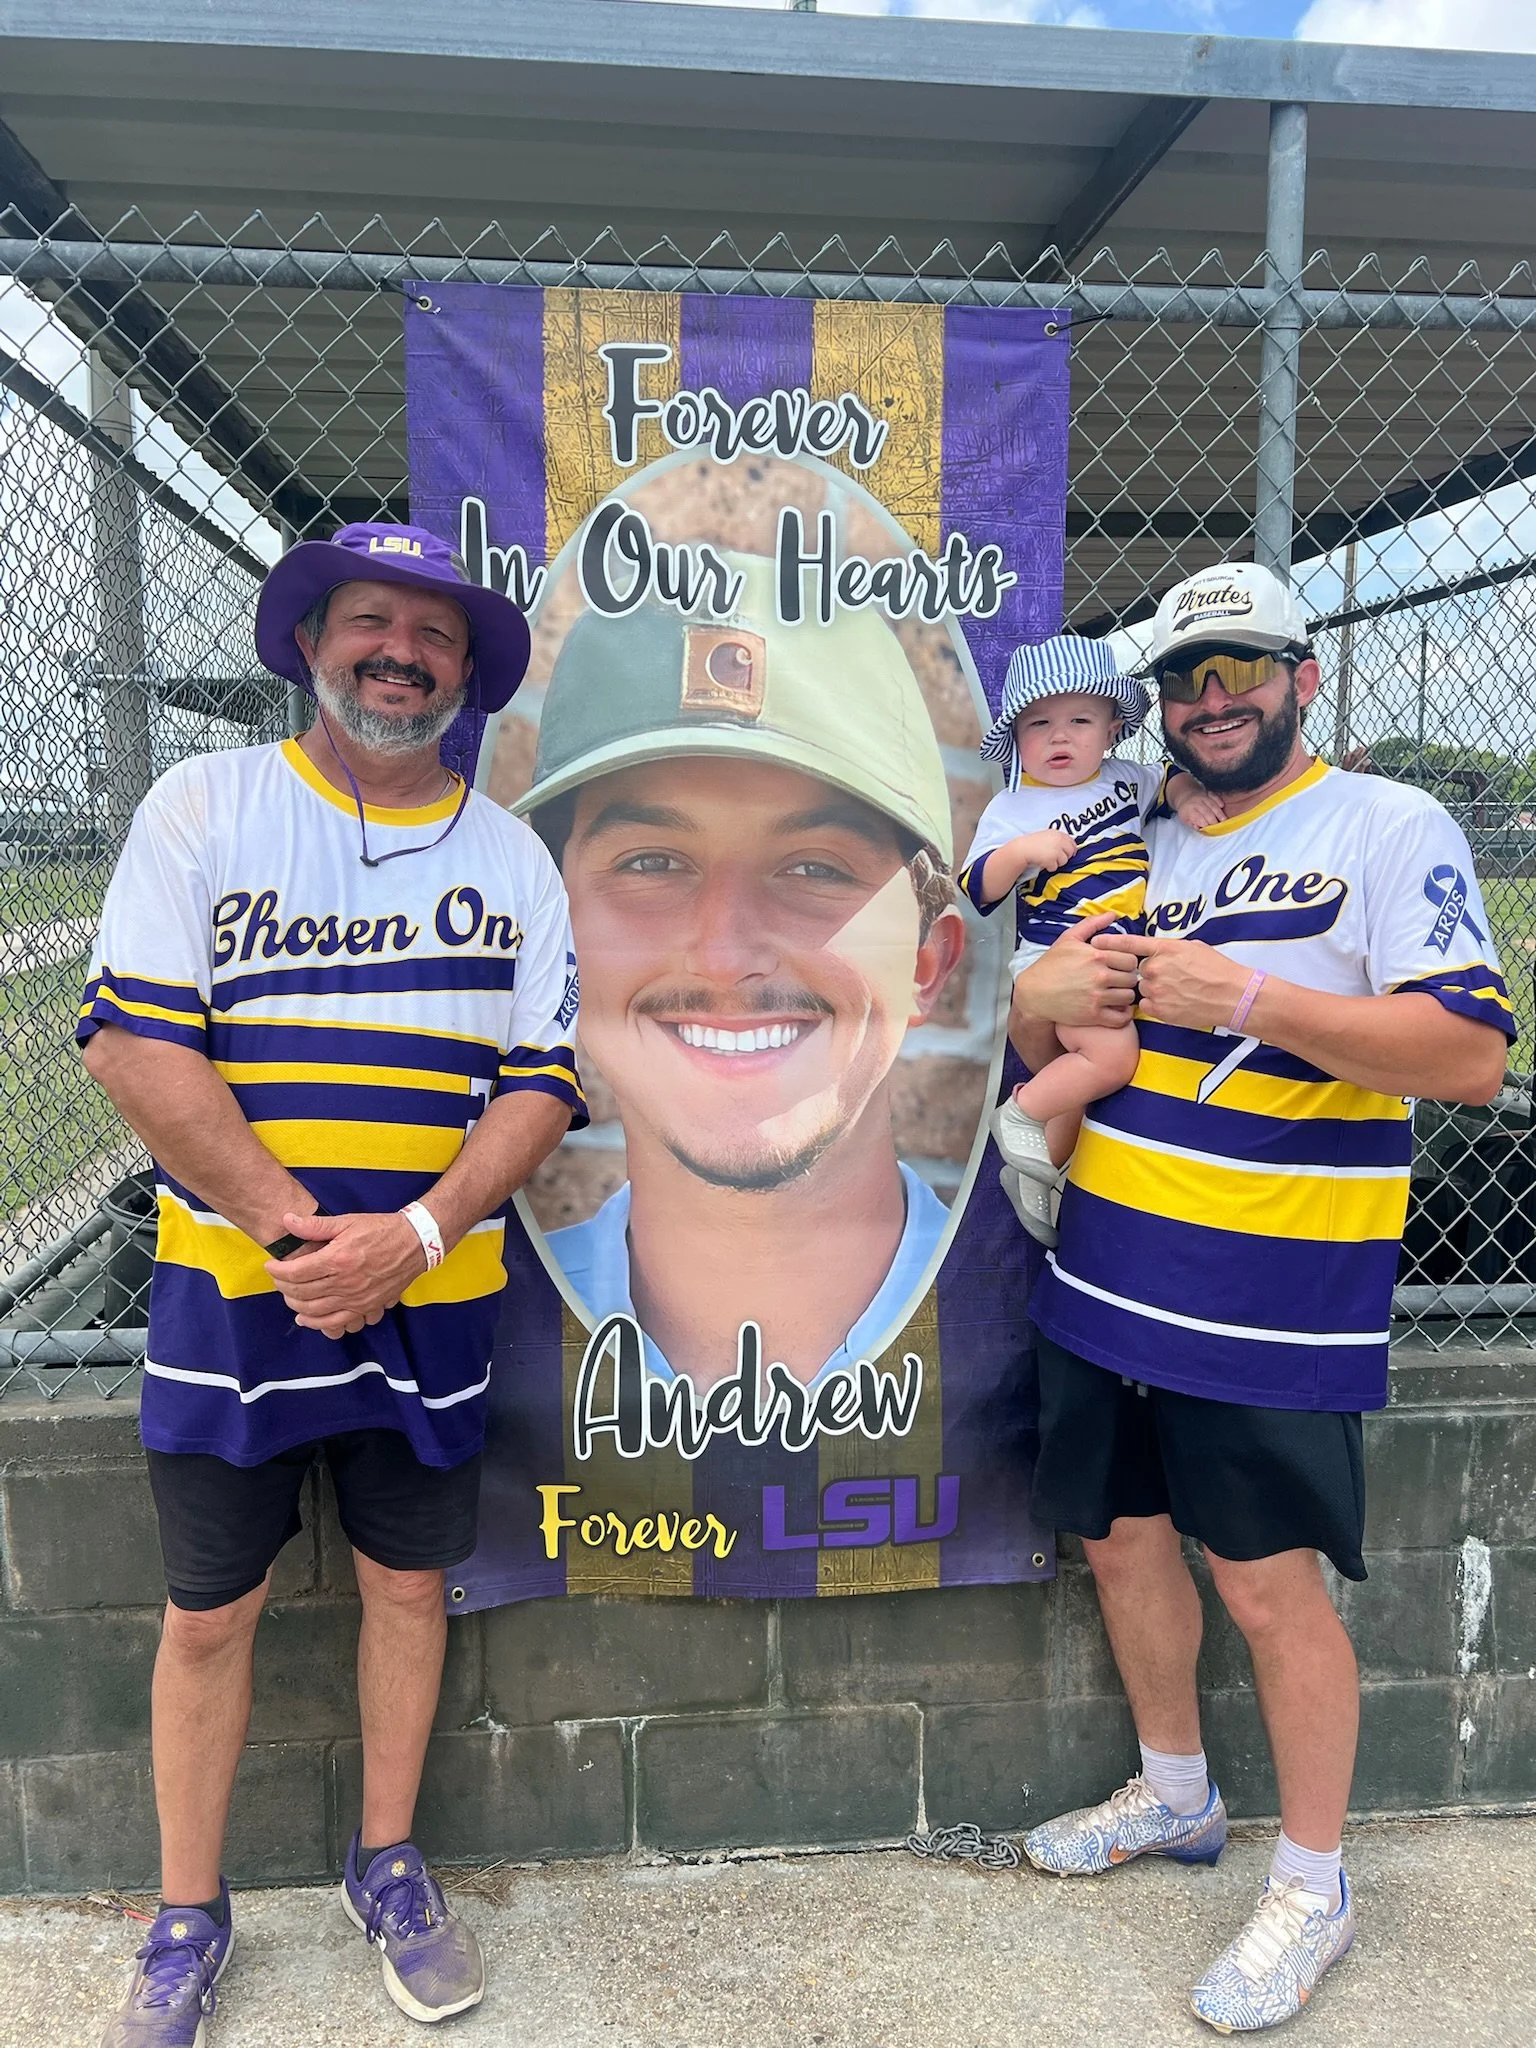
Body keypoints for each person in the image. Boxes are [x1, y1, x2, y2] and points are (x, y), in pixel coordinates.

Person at [80, 523, 586, 2042]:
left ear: (466, 672)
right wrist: (309, 1239)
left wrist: (412, 1240)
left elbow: (541, 1084)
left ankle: (387, 1862)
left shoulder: (514, 857)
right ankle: (186, 1915)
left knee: (407, 1587)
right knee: (207, 1613)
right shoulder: (204, 806)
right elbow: (131, 1046)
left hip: (432, 1298)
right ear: (309, 641)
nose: (400, 654)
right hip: (234, 1296)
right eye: (369, 621)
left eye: (433, 637)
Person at [1008, 560, 1512, 2033]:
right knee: (1115, 1542)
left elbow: (1468, 1056)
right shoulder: (1128, 829)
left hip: (1270, 1296)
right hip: (1102, 1272)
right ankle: (1176, 1795)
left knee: (1267, 1587)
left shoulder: (1386, 821)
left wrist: (1243, 998)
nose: (1211, 699)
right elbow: (1027, 995)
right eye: (1185, 678)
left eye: (1241, 670)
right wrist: (1063, 991)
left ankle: (1314, 1884)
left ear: (1304, 677)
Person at [523, 555, 967, 1392]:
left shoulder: (1026, 1323)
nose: (726, 955)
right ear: (555, 938)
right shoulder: (486, 1324)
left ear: (926, 961)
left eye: (814, 869)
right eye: (653, 860)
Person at [958, 633, 1219, 1243]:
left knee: (1086, 1078)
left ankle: (1040, 1172)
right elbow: (975, 885)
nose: (1059, 736)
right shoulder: (1013, 807)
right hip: (1056, 958)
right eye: (1039, 722)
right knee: (1111, 1058)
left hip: (1119, 961)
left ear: (1110, 730)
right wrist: (1021, 851)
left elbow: (1168, 782)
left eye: (1080, 720)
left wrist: (1186, 797)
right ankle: (1022, 1114)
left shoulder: (1128, 779)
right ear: (1017, 737)